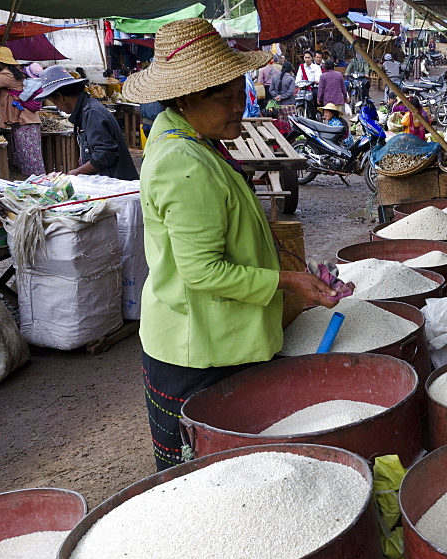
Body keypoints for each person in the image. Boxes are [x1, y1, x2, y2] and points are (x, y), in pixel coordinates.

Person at [122, 18, 346, 471]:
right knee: (209, 477)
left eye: (237, 89)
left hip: (209, 337)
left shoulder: (190, 138)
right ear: (184, 98)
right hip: (200, 351)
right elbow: (202, 273)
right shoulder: (184, 165)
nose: (236, 105)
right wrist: (288, 283)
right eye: (220, 96)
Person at [36, 66, 138, 180]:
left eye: (54, 102)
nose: (56, 106)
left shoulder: (92, 113)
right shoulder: (85, 110)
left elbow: (104, 155)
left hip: (115, 182)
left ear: (61, 97)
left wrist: (77, 172)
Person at [0, 48, 45, 176]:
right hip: (26, 120)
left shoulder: (7, 75)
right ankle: (33, 182)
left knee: (30, 158)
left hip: (25, 120)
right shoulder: (16, 73)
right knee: (27, 155)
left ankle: (38, 184)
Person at [270, 61, 297, 134]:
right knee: (290, 126)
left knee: (279, 125)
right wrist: (282, 97)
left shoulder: (274, 77)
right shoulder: (291, 79)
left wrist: (277, 96)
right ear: (290, 70)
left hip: (277, 105)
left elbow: (271, 89)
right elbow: (291, 91)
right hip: (289, 105)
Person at [295, 49, 322, 118]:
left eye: (308, 57)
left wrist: (316, 81)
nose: (307, 59)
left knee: (317, 95)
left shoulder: (316, 67)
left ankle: (317, 113)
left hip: (313, 87)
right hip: (304, 88)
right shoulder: (301, 67)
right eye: (305, 57)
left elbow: (318, 77)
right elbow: (298, 78)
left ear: (312, 58)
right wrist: (298, 83)